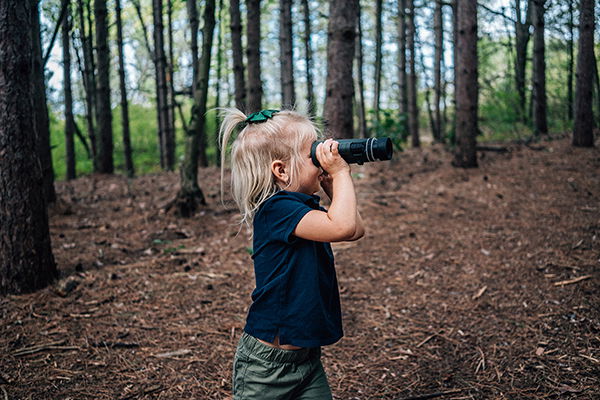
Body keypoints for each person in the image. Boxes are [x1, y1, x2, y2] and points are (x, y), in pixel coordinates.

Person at [219, 108, 365, 399]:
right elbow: (343, 226)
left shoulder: (301, 207)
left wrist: (335, 189)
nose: (320, 159)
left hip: (306, 360)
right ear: (281, 170)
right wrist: (340, 172)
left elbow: (354, 229)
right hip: (266, 367)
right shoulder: (277, 210)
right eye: (312, 153)